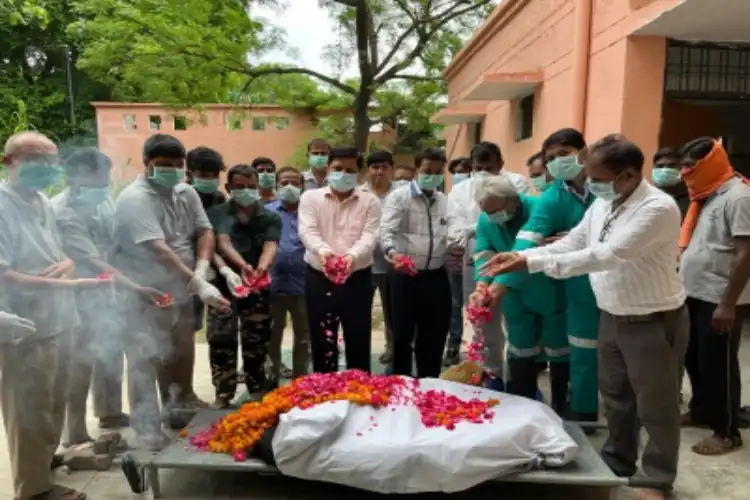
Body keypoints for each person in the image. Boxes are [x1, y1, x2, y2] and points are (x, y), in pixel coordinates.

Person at [482, 134, 687, 500]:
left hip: (651, 318)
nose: (588, 183)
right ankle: (619, 460)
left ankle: (657, 478)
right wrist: (525, 259)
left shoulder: (657, 208)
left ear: (626, 175)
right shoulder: (603, 204)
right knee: (616, 396)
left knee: (656, 403)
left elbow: (608, 254)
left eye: (597, 177)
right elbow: (576, 240)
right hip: (611, 313)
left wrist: (538, 261)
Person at [0, 131, 109, 500]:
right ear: (9, 162)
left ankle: (45, 462)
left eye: (50, 160)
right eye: (35, 160)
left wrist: (65, 266)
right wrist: (68, 283)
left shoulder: (43, 202)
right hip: (26, 324)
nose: (45, 167)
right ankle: (33, 490)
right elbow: (4, 273)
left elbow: (60, 254)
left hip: (62, 318)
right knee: (29, 409)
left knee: (54, 399)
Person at [113, 134, 229, 449]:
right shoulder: (135, 198)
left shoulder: (185, 191)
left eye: (178, 165)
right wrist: (196, 281)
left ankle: (177, 406)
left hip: (184, 285)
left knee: (180, 349)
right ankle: (146, 424)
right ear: (147, 163)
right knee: (146, 356)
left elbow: (204, 230)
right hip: (147, 289)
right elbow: (158, 249)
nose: (173, 171)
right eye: (164, 165)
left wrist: (202, 271)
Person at [54, 148, 154, 448]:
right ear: (72, 177)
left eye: (104, 182)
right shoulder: (63, 211)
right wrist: (135, 286)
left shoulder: (102, 199)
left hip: (109, 288)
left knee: (109, 353)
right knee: (81, 363)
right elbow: (93, 259)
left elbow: (114, 242)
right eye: (94, 182)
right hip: (79, 292)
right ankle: (74, 432)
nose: (101, 189)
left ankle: (109, 413)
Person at [510, 128, 599, 425]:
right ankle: (584, 409)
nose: (558, 162)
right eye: (552, 158)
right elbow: (531, 233)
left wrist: (578, 238)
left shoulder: (606, 187)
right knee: (583, 345)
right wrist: (515, 259)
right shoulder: (554, 196)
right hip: (580, 284)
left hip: (620, 278)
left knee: (621, 353)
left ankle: (626, 411)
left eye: (564, 154)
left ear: (582, 152)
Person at [678, 138, 750, 456]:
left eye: (690, 165)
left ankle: (727, 431)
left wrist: (727, 303)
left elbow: (745, 253)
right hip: (695, 291)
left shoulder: (738, 196)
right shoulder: (708, 195)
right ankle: (703, 410)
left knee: (719, 364)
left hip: (718, 296)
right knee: (695, 358)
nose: (684, 171)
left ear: (710, 164)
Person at [468, 175, 567, 397]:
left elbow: (526, 248)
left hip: (547, 288)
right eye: (487, 212)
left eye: (496, 211)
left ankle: (563, 403)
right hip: (515, 296)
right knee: (520, 348)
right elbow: (484, 253)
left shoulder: (540, 209)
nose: (493, 217)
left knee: (558, 349)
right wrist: (481, 286)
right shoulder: (486, 220)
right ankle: (524, 399)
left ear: (513, 199)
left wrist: (500, 284)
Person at [299, 147, 380, 373]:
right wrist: (324, 252)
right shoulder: (310, 198)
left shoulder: (370, 201)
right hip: (319, 275)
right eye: (337, 168)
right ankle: (325, 389)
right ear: (327, 168)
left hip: (357, 277)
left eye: (349, 170)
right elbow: (308, 231)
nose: (343, 174)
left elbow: (371, 235)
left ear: (359, 173)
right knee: (321, 336)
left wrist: (351, 257)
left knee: (358, 334)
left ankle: (359, 389)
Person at [380, 147, 460, 378]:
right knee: (402, 334)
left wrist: (457, 239)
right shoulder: (399, 197)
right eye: (427, 170)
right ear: (417, 169)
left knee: (434, 333)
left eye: (437, 171)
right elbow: (386, 231)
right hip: (404, 275)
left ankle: (429, 383)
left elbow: (455, 224)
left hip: (435, 275)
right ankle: (401, 384)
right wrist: (393, 254)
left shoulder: (444, 200)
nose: (432, 175)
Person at [205, 164, 281, 406]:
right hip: (224, 284)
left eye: (251, 187)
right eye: (239, 187)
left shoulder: (269, 216)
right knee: (221, 338)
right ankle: (224, 392)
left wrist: (260, 268)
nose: (246, 191)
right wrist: (241, 266)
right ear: (228, 188)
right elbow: (222, 242)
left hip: (257, 286)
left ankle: (257, 388)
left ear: (258, 187)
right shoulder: (217, 213)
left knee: (257, 338)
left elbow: (270, 245)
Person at [266, 166, 310, 385]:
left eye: (295, 182)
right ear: (276, 186)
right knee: (272, 336)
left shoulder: (311, 212)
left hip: (305, 285)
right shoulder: (267, 212)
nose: (290, 187)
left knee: (304, 337)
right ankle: (270, 381)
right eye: (284, 183)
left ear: (302, 186)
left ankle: (300, 383)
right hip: (273, 284)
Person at [359, 150, 397, 366]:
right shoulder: (359, 193)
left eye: (384, 167)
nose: (379, 171)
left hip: (392, 264)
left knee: (391, 312)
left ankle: (391, 348)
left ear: (391, 169)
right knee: (361, 313)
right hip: (364, 264)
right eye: (375, 167)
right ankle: (360, 349)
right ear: (368, 170)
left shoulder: (401, 193)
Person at [185, 147, 227, 334]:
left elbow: (217, 234)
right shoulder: (178, 196)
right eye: (203, 174)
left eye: (214, 175)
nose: (209, 179)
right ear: (189, 173)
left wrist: (222, 268)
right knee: (187, 324)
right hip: (185, 267)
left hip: (213, 266)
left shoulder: (218, 198)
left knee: (218, 321)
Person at [443, 158, 472, 366]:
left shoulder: (477, 196)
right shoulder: (448, 198)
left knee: (476, 306)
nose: (460, 175)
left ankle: (476, 352)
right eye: (456, 172)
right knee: (454, 305)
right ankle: (453, 345)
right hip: (454, 261)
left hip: (476, 260)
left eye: (464, 171)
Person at [651, 147, 689, 219]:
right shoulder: (646, 198)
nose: (665, 170)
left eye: (672, 166)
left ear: (682, 168)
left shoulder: (693, 200)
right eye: (660, 166)